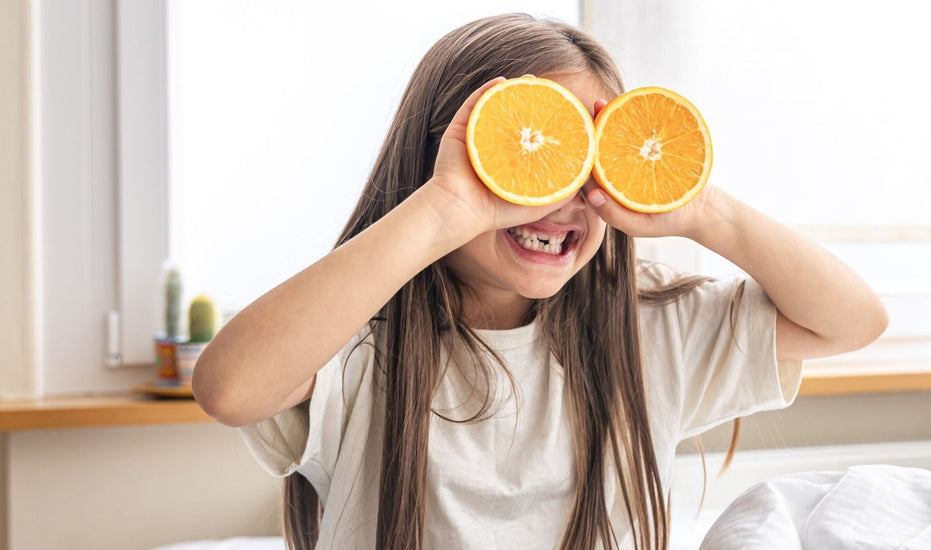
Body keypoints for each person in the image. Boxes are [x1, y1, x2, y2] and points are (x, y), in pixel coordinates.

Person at [193, 13, 888, 550]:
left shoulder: (651, 326)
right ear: (443, 161)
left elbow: (853, 322)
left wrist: (708, 212)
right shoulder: (359, 347)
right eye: (531, 161)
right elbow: (230, 387)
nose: (562, 202)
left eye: (592, 164)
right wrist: (448, 209)